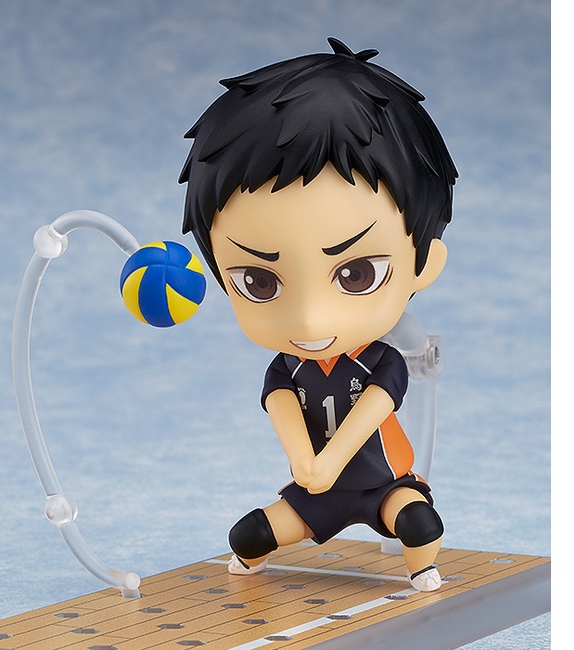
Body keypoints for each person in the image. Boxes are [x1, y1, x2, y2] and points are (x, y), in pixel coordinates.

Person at [179, 38, 457, 591]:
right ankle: (249, 565)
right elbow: (283, 412)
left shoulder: (382, 361)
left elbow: (372, 413)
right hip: (315, 495)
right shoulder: (287, 369)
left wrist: (327, 464)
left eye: (356, 275)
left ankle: (422, 567)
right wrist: (308, 467)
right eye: (258, 282)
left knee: (420, 523)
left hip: (385, 487)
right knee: (247, 535)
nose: (308, 321)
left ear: (423, 263)